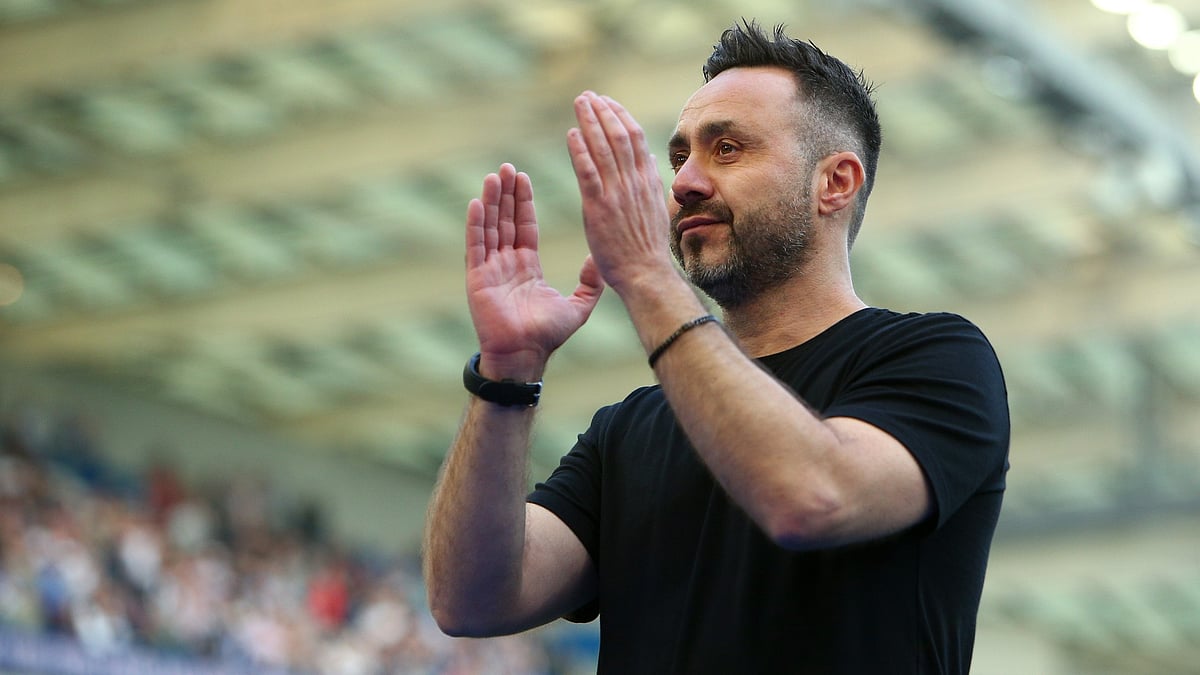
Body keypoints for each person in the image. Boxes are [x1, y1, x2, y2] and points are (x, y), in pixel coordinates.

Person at [423, 20, 1010, 675]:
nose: (684, 184)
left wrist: (646, 273)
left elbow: (811, 496)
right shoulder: (629, 430)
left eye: (727, 148)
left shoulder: (936, 357)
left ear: (835, 183)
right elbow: (468, 599)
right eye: (679, 158)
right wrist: (506, 373)